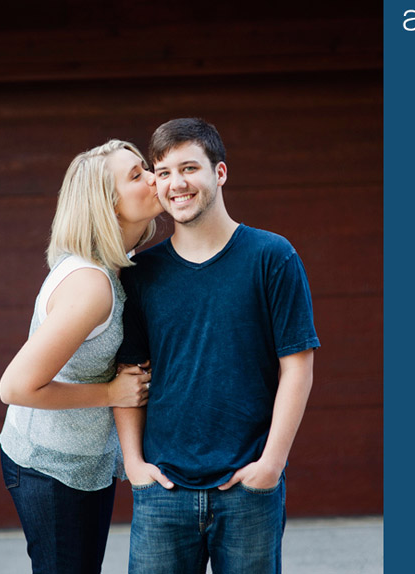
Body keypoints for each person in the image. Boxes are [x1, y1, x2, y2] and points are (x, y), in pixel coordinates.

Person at [114, 117, 319, 574]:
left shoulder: (272, 257)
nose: (176, 184)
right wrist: (134, 465)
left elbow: (298, 368)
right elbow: (129, 375)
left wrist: (271, 466)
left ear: (219, 173)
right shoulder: (141, 274)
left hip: (248, 488)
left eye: (189, 168)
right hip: (162, 491)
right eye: (163, 172)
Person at [0, 139, 164, 574]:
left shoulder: (114, 264)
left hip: (83, 460)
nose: (154, 178)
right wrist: (111, 391)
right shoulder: (91, 285)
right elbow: (15, 386)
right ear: (107, 205)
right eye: (136, 175)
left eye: (145, 167)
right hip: (49, 467)